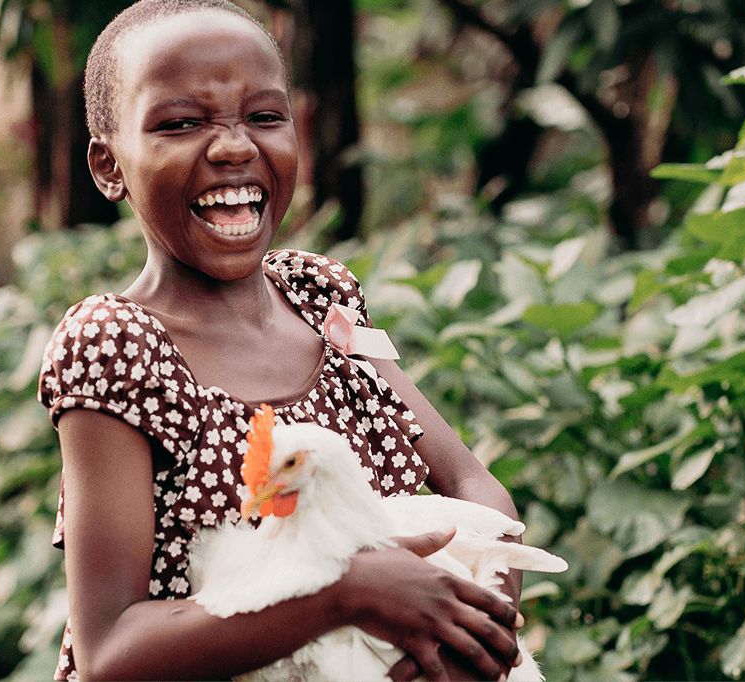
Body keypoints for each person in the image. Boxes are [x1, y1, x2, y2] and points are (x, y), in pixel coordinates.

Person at [37, 1, 527, 679]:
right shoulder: (119, 348)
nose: (235, 146)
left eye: (264, 117)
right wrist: (348, 595)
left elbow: (471, 480)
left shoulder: (320, 296)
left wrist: (474, 621)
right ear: (108, 165)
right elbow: (111, 651)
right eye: (181, 123)